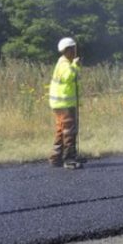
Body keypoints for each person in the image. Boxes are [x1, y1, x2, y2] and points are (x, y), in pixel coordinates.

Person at [48, 37, 82, 169]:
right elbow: (69, 77)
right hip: (64, 104)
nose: (75, 51)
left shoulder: (62, 63)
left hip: (60, 104)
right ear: (68, 50)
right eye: (73, 49)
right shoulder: (65, 65)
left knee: (61, 131)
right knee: (69, 131)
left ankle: (56, 158)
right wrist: (75, 65)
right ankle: (69, 159)